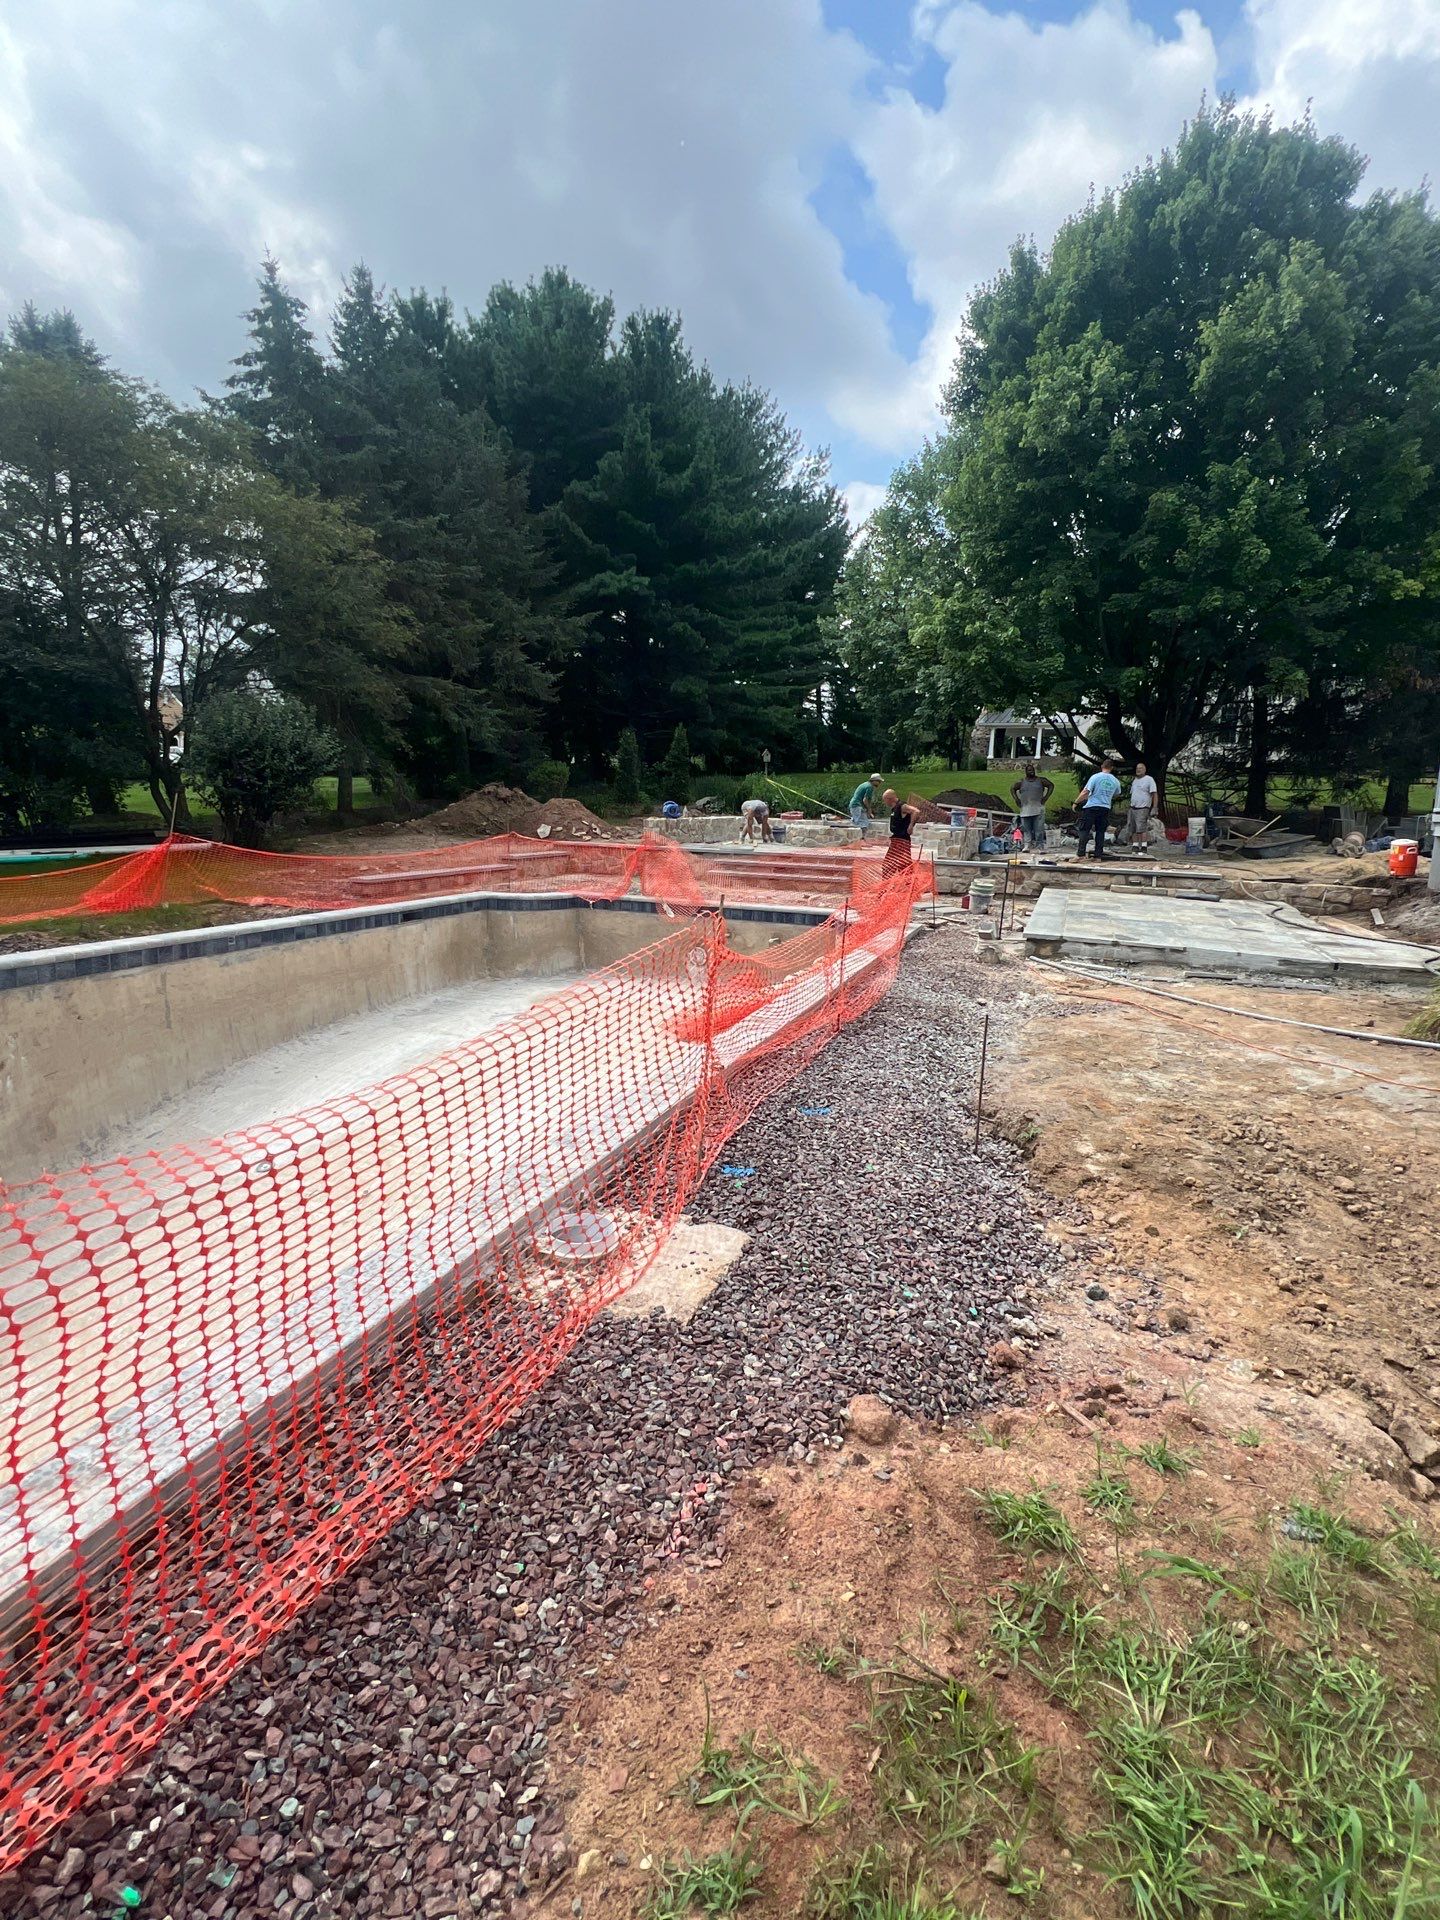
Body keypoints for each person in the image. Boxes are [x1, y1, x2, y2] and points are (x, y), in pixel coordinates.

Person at [1075, 758, 1122, 860]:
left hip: (1092, 807)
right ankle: (1098, 856)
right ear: (1112, 768)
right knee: (1100, 832)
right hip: (1105, 808)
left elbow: (1085, 791)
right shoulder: (1115, 781)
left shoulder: (1095, 777)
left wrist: (1076, 802)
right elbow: (1117, 793)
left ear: (1102, 766)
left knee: (1084, 830)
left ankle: (1081, 855)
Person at [1009, 761, 1054, 850]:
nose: (1031, 772)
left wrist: (1046, 797)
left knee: (1039, 830)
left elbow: (1051, 785)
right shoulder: (1021, 782)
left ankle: (1040, 846)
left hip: (1038, 808)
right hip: (1025, 809)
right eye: (1029, 770)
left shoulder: (1040, 780)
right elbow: (1012, 788)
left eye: (1032, 770)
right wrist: (1016, 799)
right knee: (1026, 829)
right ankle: (1027, 845)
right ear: (1026, 772)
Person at [881, 788, 921, 872]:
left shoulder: (902, 806)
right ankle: (890, 882)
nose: (885, 803)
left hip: (902, 840)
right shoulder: (894, 808)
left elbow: (916, 811)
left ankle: (907, 882)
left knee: (903, 864)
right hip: (896, 839)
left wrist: (911, 825)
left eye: (885, 800)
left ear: (889, 799)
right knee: (888, 864)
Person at [1123, 762, 1159, 849]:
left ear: (1145, 770)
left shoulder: (1149, 779)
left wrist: (1154, 807)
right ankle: (1135, 846)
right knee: (1133, 828)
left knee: (1141, 828)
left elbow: (1154, 794)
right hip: (1133, 807)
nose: (1138, 770)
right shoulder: (1135, 781)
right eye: (1137, 768)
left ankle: (1143, 847)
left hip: (1143, 808)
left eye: (1140, 768)